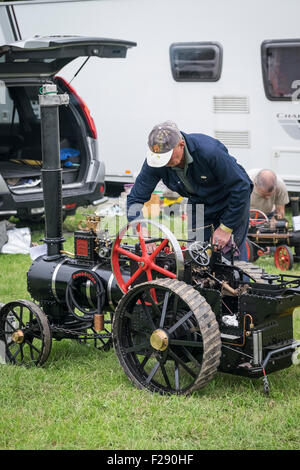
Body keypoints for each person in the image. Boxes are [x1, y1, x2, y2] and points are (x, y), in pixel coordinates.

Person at [127, 121, 253, 260]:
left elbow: (242, 187)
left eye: (167, 157)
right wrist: (142, 230)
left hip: (230, 202)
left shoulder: (209, 151)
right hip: (198, 204)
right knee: (197, 257)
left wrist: (226, 228)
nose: (163, 163)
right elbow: (135, 198)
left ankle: (242, 280)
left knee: (230, 260)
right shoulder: (155, 161)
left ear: (181, 145)